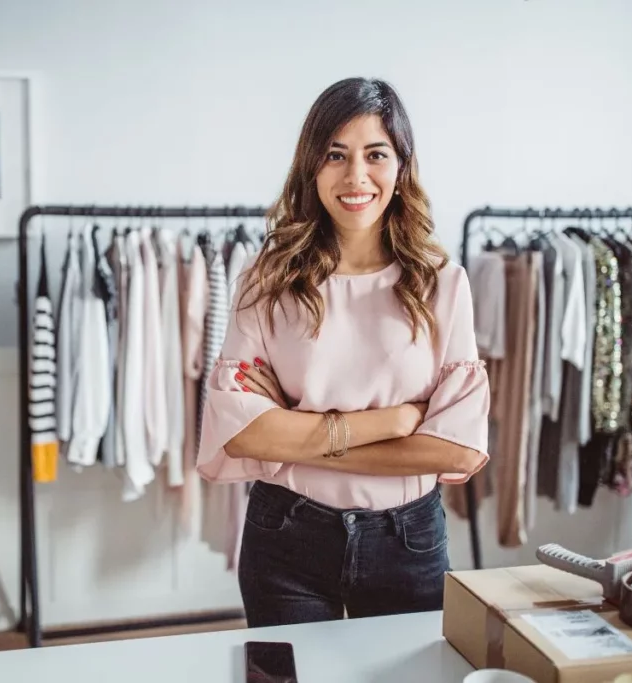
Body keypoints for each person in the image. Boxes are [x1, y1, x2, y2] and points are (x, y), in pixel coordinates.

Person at [195, 77, 491, 627]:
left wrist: (292, 431)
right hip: (287, 535)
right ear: (312, 166)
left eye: (375, 154)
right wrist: (398, 420)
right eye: (335, 155)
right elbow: (238, 431)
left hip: (407, 538)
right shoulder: (268, 279)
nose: (356, 176)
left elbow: (459, 452)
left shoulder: (442, 284)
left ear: (401, 167)